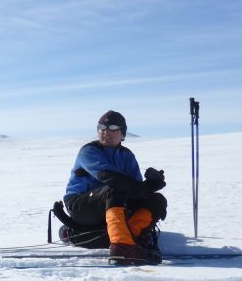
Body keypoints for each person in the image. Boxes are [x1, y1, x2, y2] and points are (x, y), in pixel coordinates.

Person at [63, 110, 167, 265]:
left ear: (122, 134)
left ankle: (131, 236)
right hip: (80, 205)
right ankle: (121, 245)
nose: (106, 132)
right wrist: (143, 187)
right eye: (102, 128)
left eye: (112, 128)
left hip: (112, 202)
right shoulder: (89, 151)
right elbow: (108, 176)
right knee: (114, 188)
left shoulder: (127, 156)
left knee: (156, 200)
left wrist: (150, 185)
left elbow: (135, 191)